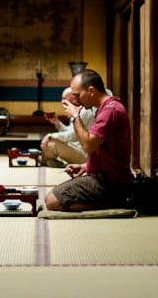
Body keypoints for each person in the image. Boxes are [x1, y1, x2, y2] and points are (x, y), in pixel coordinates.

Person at [45, 69, 133, 211]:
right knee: (55, 196)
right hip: (102, 176)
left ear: (91, 91)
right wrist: (85, 166)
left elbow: (88, 145)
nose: (75, 100)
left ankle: (116, 202)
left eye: (77, 95)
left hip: (110, 182)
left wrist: (75, 116)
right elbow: (107, 150)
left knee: (51, 201)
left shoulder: (110, 110)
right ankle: (114, 199)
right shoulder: (104, 108)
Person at [40, 87, 95, 168]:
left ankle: (45, 161)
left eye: (64, 98)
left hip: (85, 156)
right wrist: (57, 122)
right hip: (76, 148)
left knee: (52, 145)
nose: (62, 102)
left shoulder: (85, 111)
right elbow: (70, 131)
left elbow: (73, 135)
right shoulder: (76, 110)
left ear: (74, 99)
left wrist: (51, 136)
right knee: (50, 148)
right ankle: (49, 161)